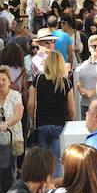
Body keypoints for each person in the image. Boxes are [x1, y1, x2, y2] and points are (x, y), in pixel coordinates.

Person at [28, 45, 75, 178]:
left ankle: (43, 187)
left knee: (43, 162)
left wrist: (32, 120)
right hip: (60, 124)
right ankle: (54, 190)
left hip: (42, 123)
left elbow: (31, 104)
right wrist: (71, 121)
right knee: (58, 162)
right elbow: (71, 109)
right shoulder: (66, 83)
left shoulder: (38, 79)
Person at [76, 34, 97, 118]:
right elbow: (78, 80)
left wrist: (91, 93)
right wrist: (81, 90)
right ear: (89, 47)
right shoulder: (84, 64)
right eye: (94, 46)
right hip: (85, 104)